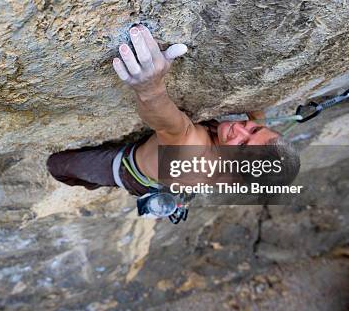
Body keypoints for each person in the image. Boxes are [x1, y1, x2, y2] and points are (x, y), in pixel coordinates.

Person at [47, 24, 300, 201]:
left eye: (242, 144)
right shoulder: (246, 172)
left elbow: (171, 126)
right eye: (254, 130)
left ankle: (93, 181)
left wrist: (149, 87)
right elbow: (255, 129)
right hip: (166, 174)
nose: (240, 129)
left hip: (129, 170)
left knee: (57, 165)